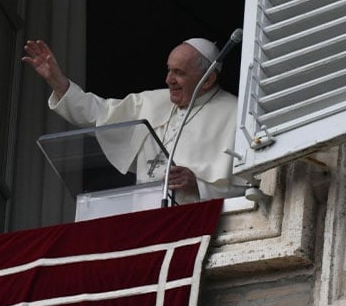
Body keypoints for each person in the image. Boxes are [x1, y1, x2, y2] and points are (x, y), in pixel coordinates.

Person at [22, 38, 243, 204]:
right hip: (144, 218)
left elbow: (252, 188)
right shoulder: (152, 101)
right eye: (168, 70)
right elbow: (97, 113)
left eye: (179, 73)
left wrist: (200, 187)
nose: (169, 80)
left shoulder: (236, 115)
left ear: (209, 79)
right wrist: (58, 82)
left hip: (196, 224)